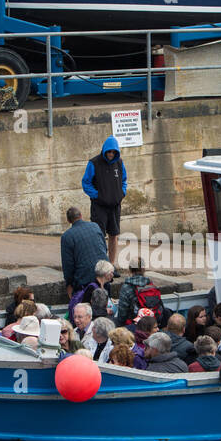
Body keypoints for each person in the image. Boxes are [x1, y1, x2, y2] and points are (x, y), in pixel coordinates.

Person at [81, 135, 127, 264]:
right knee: (99, 236)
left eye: (113, 152)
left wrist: (121, 193)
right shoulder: (94, 163)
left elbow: (124, 180)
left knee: (114, 235)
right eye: (109, 151)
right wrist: (97, 196)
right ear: (105, 150)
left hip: (115, 206)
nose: (111, 154)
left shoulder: (119, 163)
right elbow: (86, 183)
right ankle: (100, 265)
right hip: (99, 206)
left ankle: (111, 265)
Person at [60, 205, 108, 297]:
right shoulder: (95, 226)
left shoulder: (67, 236)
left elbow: (68, 265)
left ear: (69, 221)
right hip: (104, 273)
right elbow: (104, 248)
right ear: (81, 215)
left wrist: (69, 283)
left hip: (85, 279)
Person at [114, 260, 162, 326]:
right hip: (152, 323)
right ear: (144, 269)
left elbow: (122, 314)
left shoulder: (126, 287)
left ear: (130, 270)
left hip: (134, 324)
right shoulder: (151, 285)